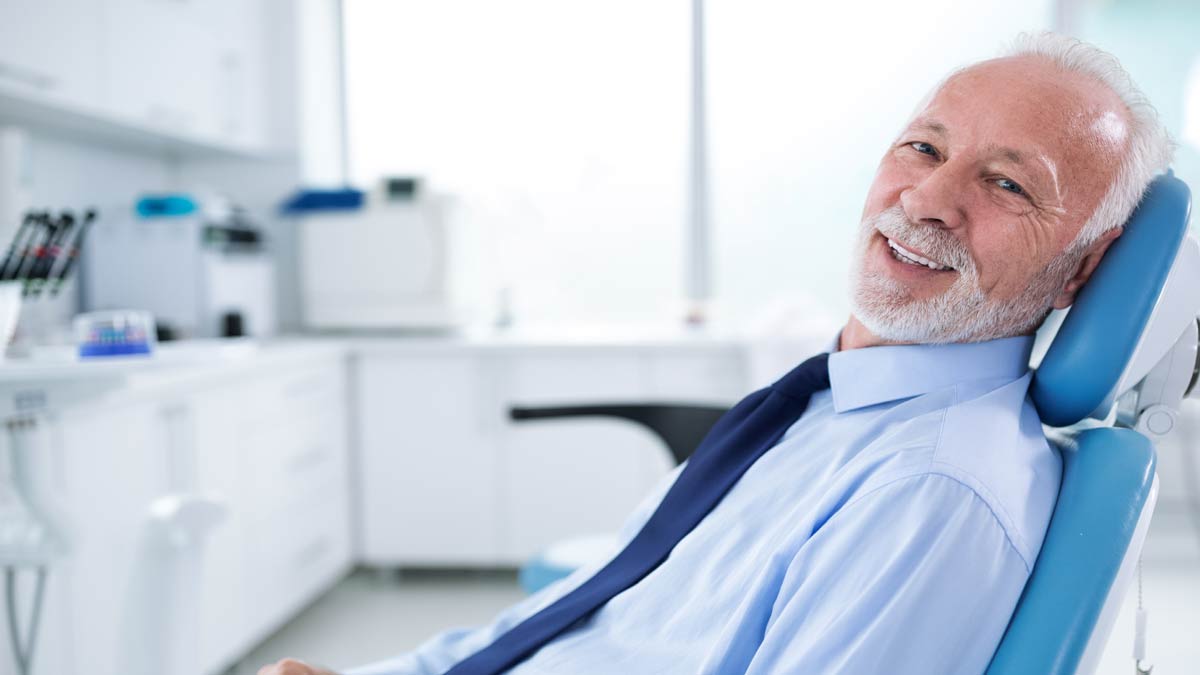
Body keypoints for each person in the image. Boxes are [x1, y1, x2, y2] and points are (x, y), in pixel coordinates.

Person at [260, 31, 1174, 675]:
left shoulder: (932, 492)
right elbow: (590, 618)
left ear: (1078, 271)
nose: (927, 198)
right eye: (921, 145)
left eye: (1007, 182)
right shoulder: (825, 405)